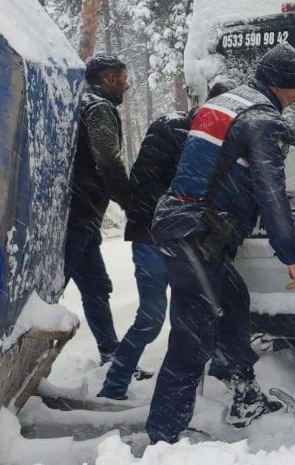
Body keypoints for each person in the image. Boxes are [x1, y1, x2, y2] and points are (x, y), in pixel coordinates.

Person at [144, 44, 295, 444]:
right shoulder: (262, 120)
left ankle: (245, 395)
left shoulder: (226, 103)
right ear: (283, 86)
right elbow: (270, 191)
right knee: (190, 338)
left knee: (233, 302)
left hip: (183, 225)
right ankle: (163, 437)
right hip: (198, 234)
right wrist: (290, 254)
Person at [97, 78, 235, 400]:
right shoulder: (169, 129)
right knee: (151, 318)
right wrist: (176, 219)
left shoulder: (223, 141)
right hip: (153, 240)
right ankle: (113, 387)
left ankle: (214, 381)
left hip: (190, 244)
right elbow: (144, 184)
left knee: (202, 313)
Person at [66, 54, 131, 365]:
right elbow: (107, 159)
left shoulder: (78, 101)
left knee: (96, 286)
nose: (127, 86)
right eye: (124, 78)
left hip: (80, 215)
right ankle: (19, 360)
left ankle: (111, 354)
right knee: (52, 292)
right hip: (78, 214)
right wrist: (132, 201)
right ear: (109, 79)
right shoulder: (99, 106)